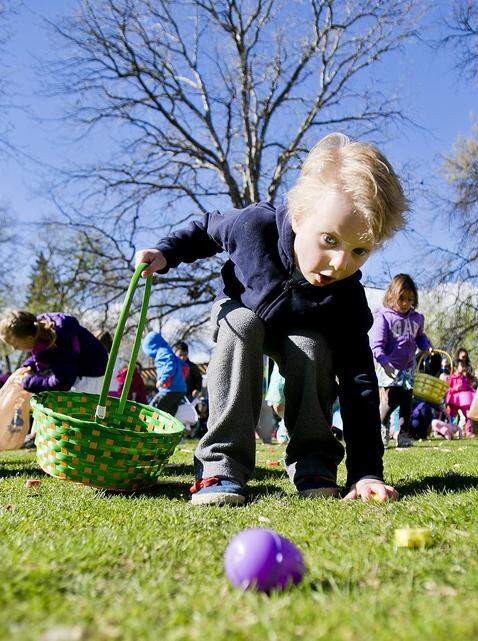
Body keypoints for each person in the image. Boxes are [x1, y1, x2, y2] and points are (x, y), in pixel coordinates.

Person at [134, 132, 408, 505]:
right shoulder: (252, 227)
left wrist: (365, 472)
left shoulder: (345, 297)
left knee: (309, 346)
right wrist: (167, 252)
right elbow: (204, 229)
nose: (341, 263)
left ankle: (313, 460)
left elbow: (360, 381)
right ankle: (221, 464)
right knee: (243, 328)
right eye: (329, 240)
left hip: (300, 328)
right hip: (242, 307)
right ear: (299, 216)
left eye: (359, 250)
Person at [370, 274, 432, 448]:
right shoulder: (384, 317)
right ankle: (381, 428)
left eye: (410, 299)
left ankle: (403, 434)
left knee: (406, 401)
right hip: (389, 367)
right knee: (390, 401)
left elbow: (420, 337)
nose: (406, 303)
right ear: (392, 296)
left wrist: (426, 346)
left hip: (409, 368)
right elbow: (376, 345)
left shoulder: (417, 318)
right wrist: (384, 362)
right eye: (402, 298)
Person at [0, 311, 109, 394]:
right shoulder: (39, 330)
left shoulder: (60, 343)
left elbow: (63, 382)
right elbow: (39, 354)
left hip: (89, 377)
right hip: (78, 374)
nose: (13, 348)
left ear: (30, 338)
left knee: (73, 418)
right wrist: (29, 366)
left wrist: (28, 382)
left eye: (15, 345)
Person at [141, 331, 188, 414]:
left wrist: (163, 379)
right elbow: (184, 366)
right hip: (180, 389)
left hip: (170, 389)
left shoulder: (162, 352)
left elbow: (170, 364)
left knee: (152, 410)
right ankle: (167, 426)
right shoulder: (168, 351)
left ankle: (145, 425)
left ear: (151, 347)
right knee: (169, 414)